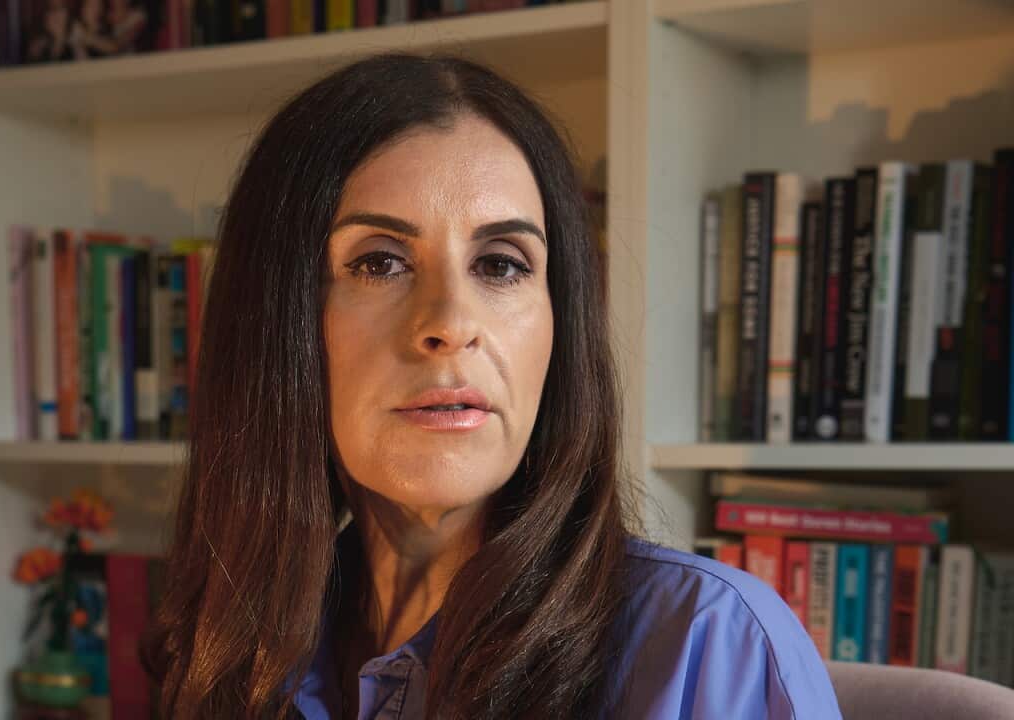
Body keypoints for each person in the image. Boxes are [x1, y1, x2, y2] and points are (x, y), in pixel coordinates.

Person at [141, 53, 842, 719]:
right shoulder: (228, 646)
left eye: (502, 265)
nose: (450, 324)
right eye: (380, 263)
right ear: (275, 322)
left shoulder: (711, 646)